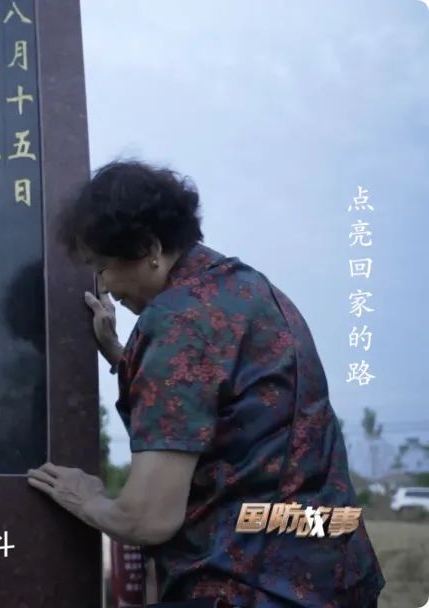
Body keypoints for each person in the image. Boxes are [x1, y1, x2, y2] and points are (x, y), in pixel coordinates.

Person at [25, 160, 384, 607]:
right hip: (333, 577)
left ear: (150, 247)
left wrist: (88, 498)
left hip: (248, 585)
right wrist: (122, 354)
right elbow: (223, 399)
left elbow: (148, 518)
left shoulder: (178, 322)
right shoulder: (247, 288)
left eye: (103, 266)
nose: (104, 285)